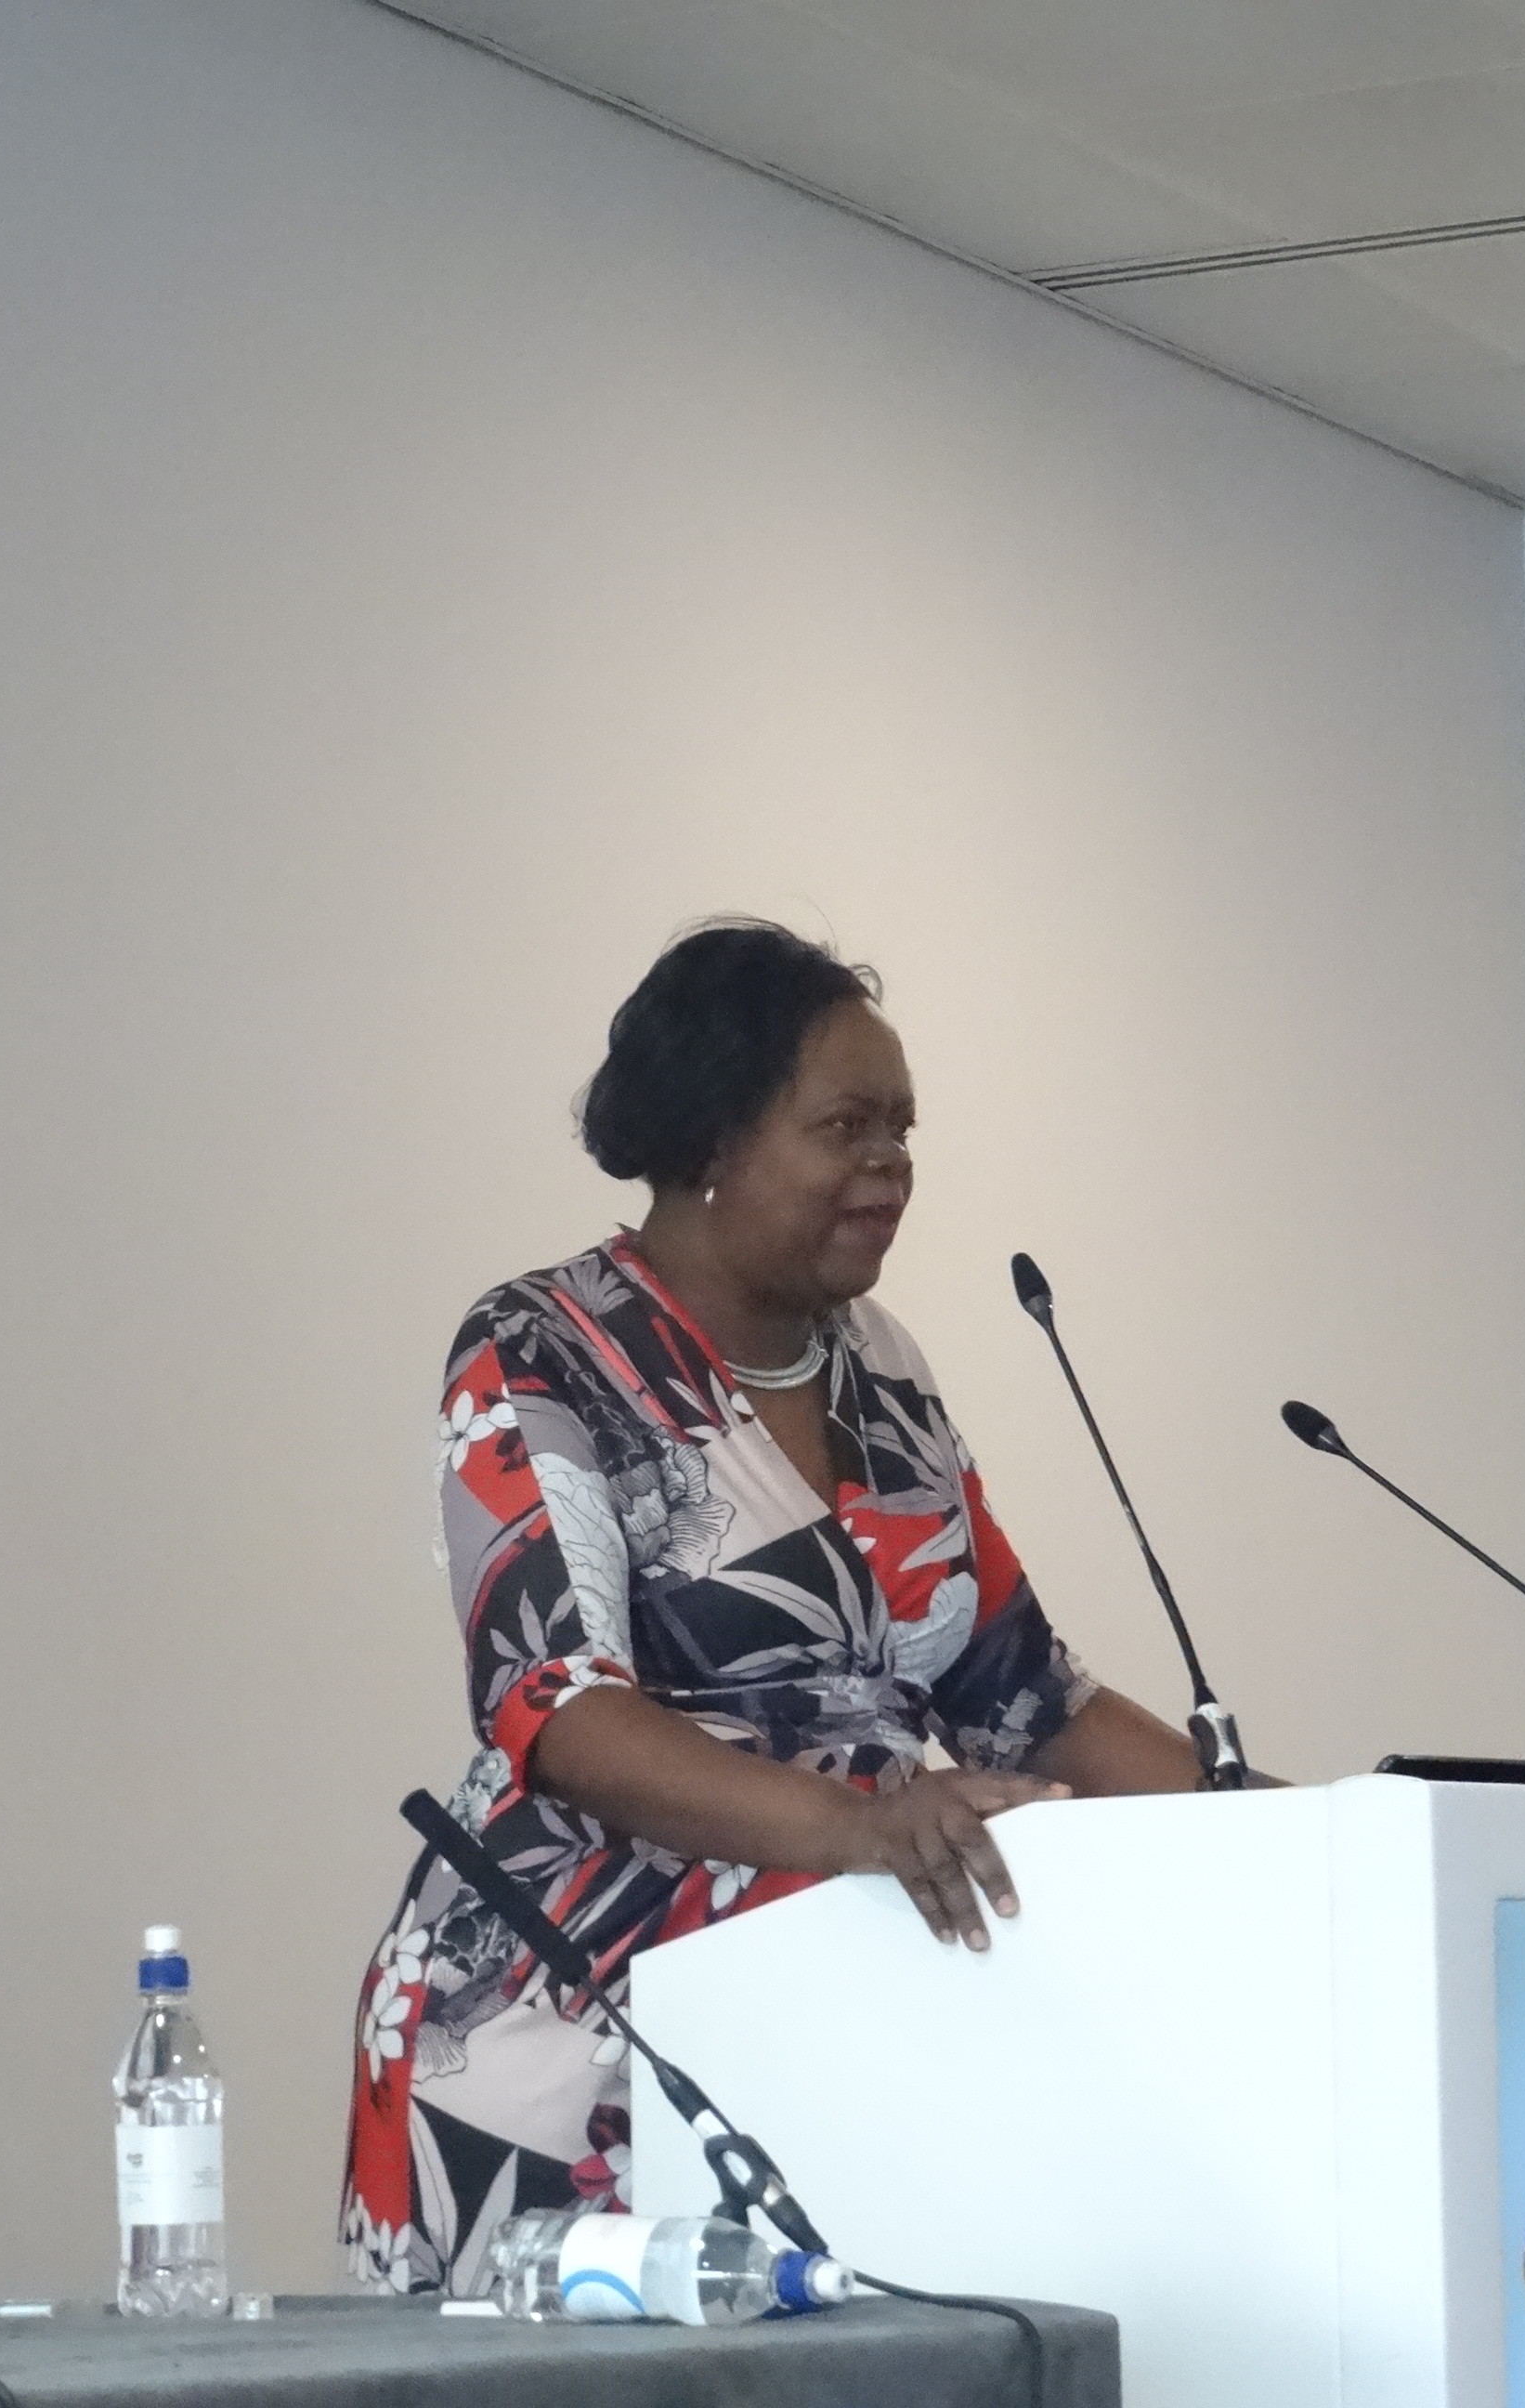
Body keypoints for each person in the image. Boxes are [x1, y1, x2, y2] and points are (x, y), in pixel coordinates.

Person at [341, 920, 1209, 2297]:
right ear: (712, 1138)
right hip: (567, 2029)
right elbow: (558, 1712)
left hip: (830, 2022)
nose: (892, 1165)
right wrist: (861, 1826)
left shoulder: (885, 1372)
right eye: (847, 1127)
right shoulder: (541, 1348)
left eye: (903, 1131)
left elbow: (1025, 1698)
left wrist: (1300, 1827)